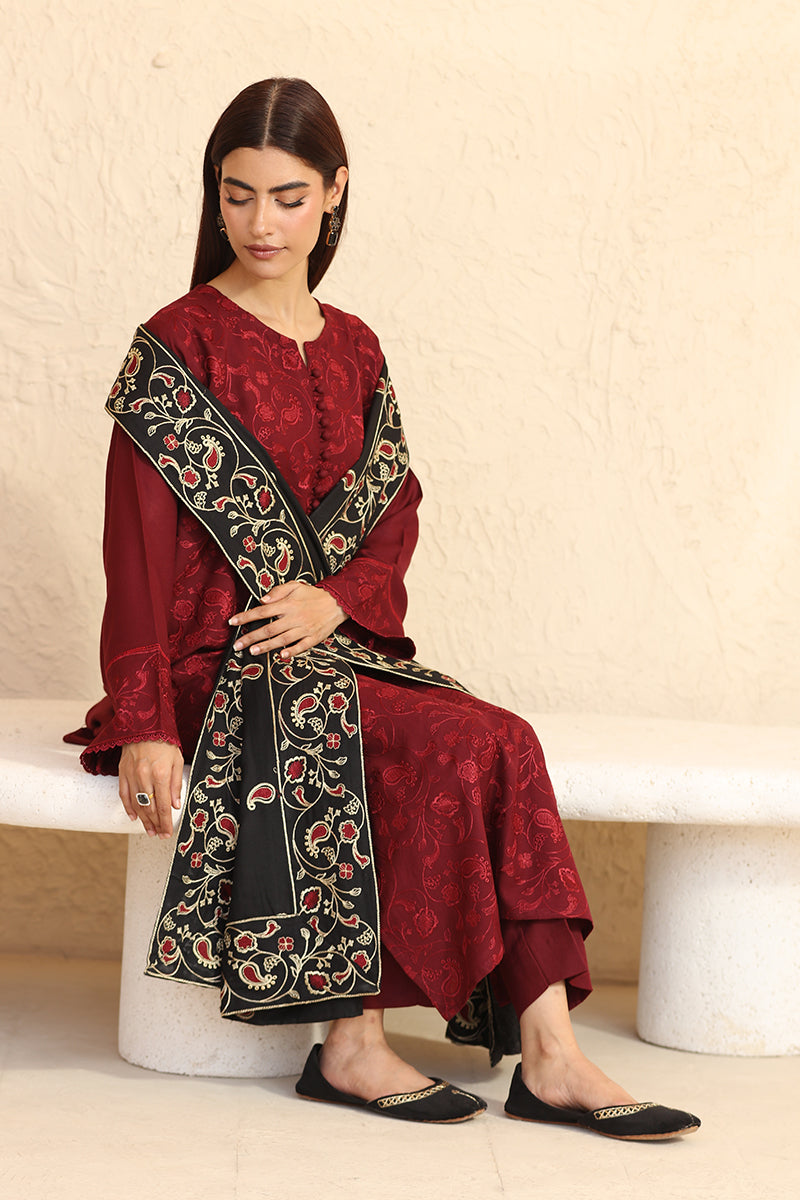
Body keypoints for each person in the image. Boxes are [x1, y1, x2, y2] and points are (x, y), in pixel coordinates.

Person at [69, 78, 699, 1138]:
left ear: (334, 193)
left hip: (332, 644)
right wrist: (140, 715)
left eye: (285, 195)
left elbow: (389, 516)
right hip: (215, 666)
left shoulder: (355, 346)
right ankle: (350, 1046)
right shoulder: (178, 344)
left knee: (495, 740)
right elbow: (132, 544)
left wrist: (333, 600)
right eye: (236, 196)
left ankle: (548, 1056)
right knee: (348, 729)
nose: (260, 223)